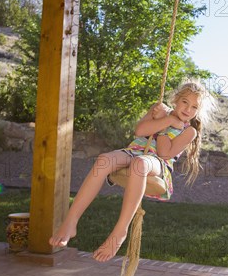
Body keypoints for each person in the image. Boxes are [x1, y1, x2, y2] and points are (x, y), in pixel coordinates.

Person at [49, 80, 216, 262]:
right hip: (134, 151)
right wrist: (166, 119)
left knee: (139, 164)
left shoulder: (189, 131)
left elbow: (164, 152)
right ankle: (71, 220)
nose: (188, 109)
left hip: (157, 164)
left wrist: (165, 126)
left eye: (194, 107)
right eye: (185, 102)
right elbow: (140, 131)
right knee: (104, 159)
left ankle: (120, 231)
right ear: (176, 99)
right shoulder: (160, 109)